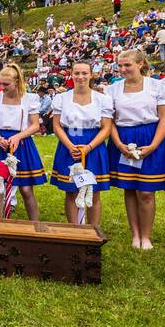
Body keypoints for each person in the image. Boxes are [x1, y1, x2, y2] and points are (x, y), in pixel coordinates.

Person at [107, 49, 165, 250]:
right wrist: (118, 144)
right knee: (129, 188)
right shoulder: (112, 90)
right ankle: (135, 234)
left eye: (128, 65)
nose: (123, 69)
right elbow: (109, 121)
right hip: (123, 138)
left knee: (146, 191)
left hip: (151, 136)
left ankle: (146, 236)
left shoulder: (158, 86)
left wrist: (154, 144)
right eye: (120, 65)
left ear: (141, 64)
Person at [51, 62, 114, 227]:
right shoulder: (61, 98)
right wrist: (70, 146)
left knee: (94, 191)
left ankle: (93, 229)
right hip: (68, 143)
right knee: (71, 190)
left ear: (91, 74)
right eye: (76, 73)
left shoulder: (103, 99)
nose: (80, 77)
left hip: (93, 144)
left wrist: (89, 147)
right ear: (71, 74)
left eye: (84, 73)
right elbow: (57, 126)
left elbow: (106, 127)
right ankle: (75, 229)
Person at [0, 63, 45, 222]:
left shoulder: (29, 98)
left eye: (6, 84)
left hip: (22, 143)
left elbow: (35, 125)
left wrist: (18, 137)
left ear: (17, 82)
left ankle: (35, 224)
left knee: (25, 188)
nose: (1, 87)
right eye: (0, 83)